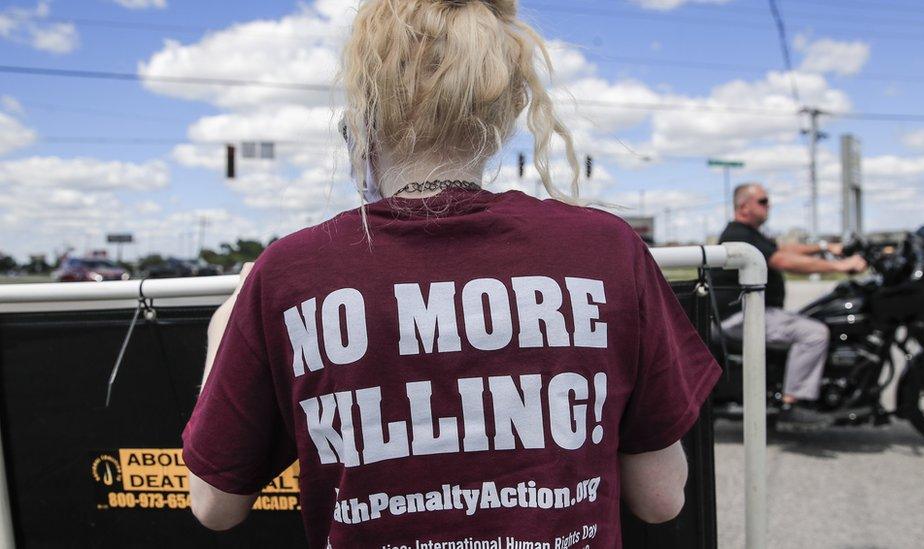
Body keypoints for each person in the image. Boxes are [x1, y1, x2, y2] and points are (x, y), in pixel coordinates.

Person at [182, 1, 721, 547]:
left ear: (362, 120)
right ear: (500, 115)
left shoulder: (290, 274)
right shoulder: (607, 251)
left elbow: (214, 505)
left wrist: (225, 324)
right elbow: (660, 499)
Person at [713, 183, 867, 430]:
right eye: (762, 201)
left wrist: (827, 247)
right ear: (743, 206)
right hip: (739, 317)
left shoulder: (751, 234)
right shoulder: (737, 234)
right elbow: (782, 259)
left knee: (814, 320)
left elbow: (784, 249)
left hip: (755, 312)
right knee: (814, 333)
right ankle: (794, 403)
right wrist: (839, 266)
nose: (768, 205)